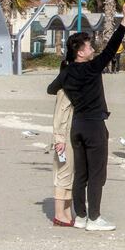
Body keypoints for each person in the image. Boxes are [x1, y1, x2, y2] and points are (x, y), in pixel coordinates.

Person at [47, 2, 125, 232]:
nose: (92, 48)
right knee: (97, 175)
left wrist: (68, 83)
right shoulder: (92, 68)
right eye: (88, 46)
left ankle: (82, 216)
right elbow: (112, 48)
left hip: (77, 127)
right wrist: (124, 20)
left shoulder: (66, 72)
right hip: (94, 125)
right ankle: (94, 218)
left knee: (81, 175)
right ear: (80, 52)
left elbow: (51, 89)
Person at [51, 63, 74, 227]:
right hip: (64, 138)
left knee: (70, 174)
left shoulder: (71, 90)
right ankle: (59, 214)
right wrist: (59, 139)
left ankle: (67, 212)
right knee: (63, 173)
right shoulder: (64, 92)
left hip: (71, 136)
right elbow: (59, 117)